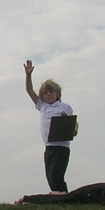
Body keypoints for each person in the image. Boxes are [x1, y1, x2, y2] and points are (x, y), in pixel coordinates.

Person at [24, 60, 76, 193]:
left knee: (56, 176)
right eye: (45, 92)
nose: (48, 94)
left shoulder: (65, 107)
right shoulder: (42, 106)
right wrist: (28, 75)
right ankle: (59, 198)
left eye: (51, 91)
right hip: (49, 147)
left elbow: (73, 122)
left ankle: (66, 198)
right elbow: (29, 90)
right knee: (50, 178)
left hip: (61, 147)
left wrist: (74, 129)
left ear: (57, 93)